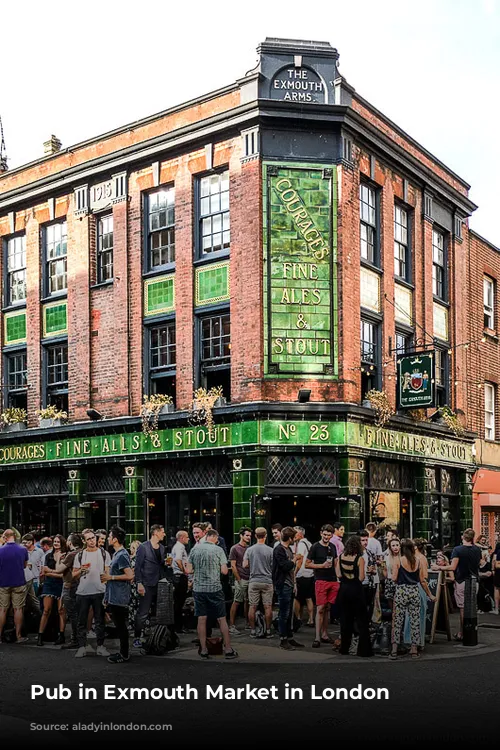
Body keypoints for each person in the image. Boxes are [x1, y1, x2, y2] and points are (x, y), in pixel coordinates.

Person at [187, 528, 238, 660]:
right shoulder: (218, 550)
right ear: (214, 538)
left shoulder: (195, 549)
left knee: (201, 619)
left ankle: (204, 649)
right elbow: (225, 571)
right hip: (214, 588)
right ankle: (228, 649)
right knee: (221, 619)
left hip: (199, 589)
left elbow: (189, 569)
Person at [433, 528, 481, 641]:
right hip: (474, 581)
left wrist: (438, 567)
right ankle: (470, 632)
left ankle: (463, 633)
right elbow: (478, 563)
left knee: (463, 609)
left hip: (462, 581)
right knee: (472, 608)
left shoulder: (458, 550)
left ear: (462, 537)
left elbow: (453, 567)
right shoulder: (477, 550)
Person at [391, 538, 434, 659]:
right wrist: (430, 594)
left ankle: (394, 649)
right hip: (414, 590)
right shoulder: (418, 561)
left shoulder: (398, 561)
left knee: (397, 620)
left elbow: (394, 578)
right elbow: (422, 580)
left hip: (401, 590)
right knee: (415, 620)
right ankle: (414, 649)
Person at [72, 529, 111, 658]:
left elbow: (107, 572)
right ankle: (82, 646)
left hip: (99, 591)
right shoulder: (80, 555)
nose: (92, 541)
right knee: (81, 621)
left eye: (93, 538)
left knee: (100, 621)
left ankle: (100, 646)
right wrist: (80, 571)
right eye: (88, 539)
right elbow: (73, 575)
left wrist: (105, 585)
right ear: (84, 541)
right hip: (83, 592)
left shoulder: (104, 553)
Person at [335, 535, 372, 657]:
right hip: (356, 590)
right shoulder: (360, 559)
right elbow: (361, 577)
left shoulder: (340, 557)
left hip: (344, 590)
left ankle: (344, 648)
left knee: (345, 620)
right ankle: (363, 650)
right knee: (362, 620)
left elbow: (339, 575)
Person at [102, 526, 134, 664]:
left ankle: (124, 653)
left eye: (110, 536)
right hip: (114, 595)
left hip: (120, 596)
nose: (108, 538)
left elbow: (130, 575)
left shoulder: (122, 555)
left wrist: (111, 578)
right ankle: (123, 652)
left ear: (115, 539)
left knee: (121, 626)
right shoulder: (117, 554)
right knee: (119, 625)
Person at [133, 524, 166, 648]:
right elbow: (138, 567)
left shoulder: (162, 548)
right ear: (156, 532)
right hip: (146, 583)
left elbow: (161, 565)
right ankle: (137, 637)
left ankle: (157, 637)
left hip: (159, 583)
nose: (164, 534)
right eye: (162, 532)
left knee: (159, 612)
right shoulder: (143, 547)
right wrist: (139, 583)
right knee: (143, 612)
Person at [306, 524, 338, 648]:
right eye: (325, 534)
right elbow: (307, 564)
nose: (326, 537)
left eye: (329, 535)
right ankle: (317, 637)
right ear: (321, 533)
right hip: (320, 580)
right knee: (320, 608)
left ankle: (325, 634)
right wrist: (321, 566)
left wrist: (338, 577)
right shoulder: (315, 547)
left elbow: (335, 562)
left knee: (327, 608)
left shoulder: (333, 546)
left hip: (333, 580)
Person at [273, 526, 304, 651]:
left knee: (289, 612)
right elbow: (285, 566)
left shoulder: (287, 549)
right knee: (284, 613)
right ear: (290, 538)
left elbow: (290, 570)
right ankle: (283, 639)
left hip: (289, 584)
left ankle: (289, 636)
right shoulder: (279, 550)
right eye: (293, 538)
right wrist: (294, 559)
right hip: (283, 584)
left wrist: (295, 583)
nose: (294, 540)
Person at [243, 527, 274, 638]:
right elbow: (273, 566)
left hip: (254, 580)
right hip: (267, 581)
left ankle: (253, 630)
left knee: (252, 606)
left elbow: (245, 565)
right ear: (265, 536)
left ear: (255, 536)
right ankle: (269, 630)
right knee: (268, 606)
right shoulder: (270, 550)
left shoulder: (250, 550)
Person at [0, 529, 29, 643]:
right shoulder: (22, 549)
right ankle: (18, 636)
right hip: (19, 582)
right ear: (14, 536)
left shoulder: (0, 550)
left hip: (3, 582)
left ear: (5, 537)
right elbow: (25, 565)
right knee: (18, 609)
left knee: (2, 609)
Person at [37, 534, 67, 646]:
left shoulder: (65, 556)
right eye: (55, 541)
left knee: (61, 610)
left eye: (58, 542)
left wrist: (50, 572)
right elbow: (44, 571)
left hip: (60, 584)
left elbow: (63, 575)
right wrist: (55, 572)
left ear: (62, 543)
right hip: (49, 584)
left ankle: (62, 635)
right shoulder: (48, 555)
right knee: (46, 610)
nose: (56, 543)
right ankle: (40, 635)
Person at [55, 533, 83, 649]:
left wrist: (57, 560)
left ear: (70, 542)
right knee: (77, 613)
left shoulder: (72, 554)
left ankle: (75, 639)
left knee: (72, 614)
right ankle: (79, 638)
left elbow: (59, 570)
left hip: (70, 586)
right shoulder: (82, 552)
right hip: (80, 585)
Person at [403, 538, 429, 650]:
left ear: (415, 547)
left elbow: (423, 577)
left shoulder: (419, 558)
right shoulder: (421, 558)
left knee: (413, 616)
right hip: (419, 587)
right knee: (418, 616)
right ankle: (418, 642)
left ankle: (412, 641)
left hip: (417, 586)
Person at [228, 526, 252, 635]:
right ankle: (232, 625)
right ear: (241, 535)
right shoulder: (235, 548)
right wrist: (238, 579)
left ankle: (248, 622)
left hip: (250, 577)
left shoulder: (249, 548)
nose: (248, 537)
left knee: (248, 601)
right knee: (237, 601)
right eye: (247, 535)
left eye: (250, 536)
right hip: (241, 578)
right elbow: (233, 566)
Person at [293, 526, 314, 627]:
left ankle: (297, 618)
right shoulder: (309, 543)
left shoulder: (301, 544)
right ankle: (311, 619)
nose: (293, 535)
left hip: (302, 574)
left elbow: (300, 559)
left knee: (297, 598)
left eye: (295, 533)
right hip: (310, 573)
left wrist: (295, 572)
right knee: (308, 597)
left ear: (300, 534)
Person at [171, 530, 190, 633]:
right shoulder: (180, 547)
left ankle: (178, 626)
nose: (188, 539)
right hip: (180, 576)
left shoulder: (176, 546)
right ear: (182, 538)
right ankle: (177, 626)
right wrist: (184, 571)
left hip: (177, 576)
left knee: (178, 602)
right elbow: (178, 560)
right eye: (187, 537)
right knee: (179, 602)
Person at [21, 533, 44, 614]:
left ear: (31, 542)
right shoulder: (21, 551)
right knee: (26, 601)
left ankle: (39, 618)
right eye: (23, 542)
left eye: (26, 542)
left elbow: (43, 565)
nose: (24, 544)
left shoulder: (39, 551)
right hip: (24, 579)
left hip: (36, 579)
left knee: (35, 599)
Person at [360, 530, 379, 621]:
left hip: (370, 583)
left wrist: (373, 570)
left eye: (366, 540)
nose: (365, 542)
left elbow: (375, 570)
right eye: (363, 540)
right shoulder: (355, 553)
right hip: (358, 583)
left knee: (369, 606)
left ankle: (366, 626)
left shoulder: (370, 553)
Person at [382, 537, 400, 607]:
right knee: (391, 603)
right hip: (389, 581)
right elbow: (383, 568)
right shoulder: (386, 557)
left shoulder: (402, 557)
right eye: (393, 545)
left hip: (399, 582)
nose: (395, 547)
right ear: (390, 547)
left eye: (397, 545)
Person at [128, 540, 141, 631]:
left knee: (132, 605)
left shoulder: (132, 560)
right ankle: (142, 627)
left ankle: (133, 625)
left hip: (133, 585)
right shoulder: (143, 559)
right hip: (141, 584)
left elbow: (132, 573)